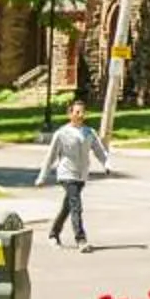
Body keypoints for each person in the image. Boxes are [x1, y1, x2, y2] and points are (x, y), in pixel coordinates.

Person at [39, 101, 113, 251]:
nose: (80, 115)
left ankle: (53, 234)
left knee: (68, 206)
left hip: (81, 175)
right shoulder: (62, 133)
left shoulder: (89, 132)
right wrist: (42, 176)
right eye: (77, 112)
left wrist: (106, 164)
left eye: (82, 112)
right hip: (67, 174)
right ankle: (81, 239)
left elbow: (99, 150)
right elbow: (51, 156)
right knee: (76, 206)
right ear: (70, 114)